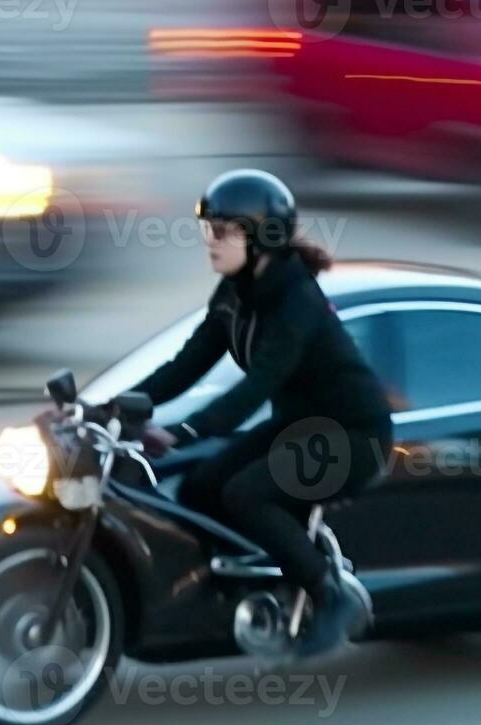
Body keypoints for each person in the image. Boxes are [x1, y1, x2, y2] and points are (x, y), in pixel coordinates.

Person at [129, 169, 395, 658]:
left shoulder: (297, 302)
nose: (210, 241)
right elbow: (184, 365)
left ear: (262, 237)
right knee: (199, 485)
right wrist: (113, 406)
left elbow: (257, 387)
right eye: (207, 229)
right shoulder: (235, 293)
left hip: (351, 436)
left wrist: (185, 430)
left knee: (246, 494)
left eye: (223, 231)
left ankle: (326, 592)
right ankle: (250, 587)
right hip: (298, 427)